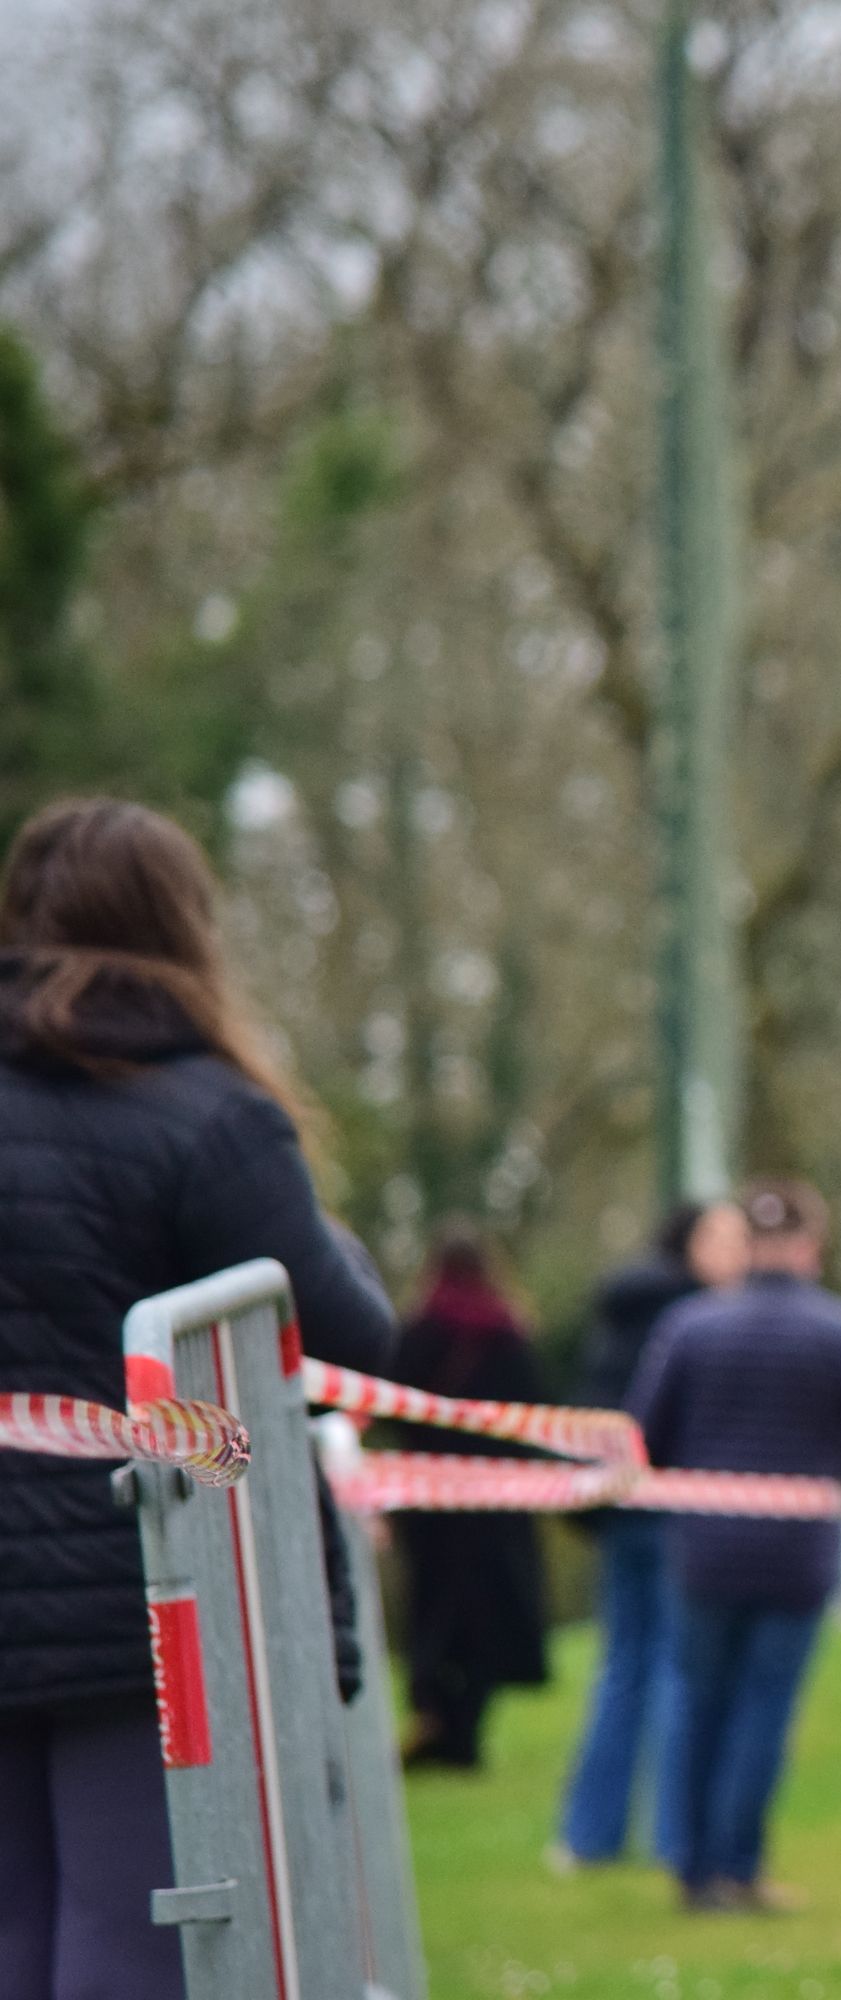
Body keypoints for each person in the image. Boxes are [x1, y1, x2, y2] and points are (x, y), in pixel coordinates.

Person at [0, 797, 399, 1999]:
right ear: (184, 925)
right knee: (131, 1939)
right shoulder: (208, 1116)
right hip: (151, 1591)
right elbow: (344, 1341)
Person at [631, 1178, 841, 1913]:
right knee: (763, 1709)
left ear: (748, 1245)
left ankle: (690, 1868)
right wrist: (830, 1466)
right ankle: (738, 1867)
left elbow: (645, 1436)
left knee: (696, 1702)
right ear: (811, 1245)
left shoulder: (689, 1327)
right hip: (797, 1550)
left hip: (703, 1546)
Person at [554, 1199, 747, 1869]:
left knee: (623, 1668)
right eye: (722, 1238)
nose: (737, 1254)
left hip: (622, 1512)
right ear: (689, 1244)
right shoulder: (694, 1320)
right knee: (673, 1669)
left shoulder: (626, 1309)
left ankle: (589, 1836)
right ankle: (674, 1835)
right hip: (669, 1509)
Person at [392, 1225, 554, 1770]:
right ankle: (465, 1731)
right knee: (484, 1619)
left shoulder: (421, 1332)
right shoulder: (508, 1334)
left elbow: (394, 1405)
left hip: (430, 1505)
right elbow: (534, 1412)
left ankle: (435, 1719)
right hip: (495, 1508)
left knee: (433, 1613)